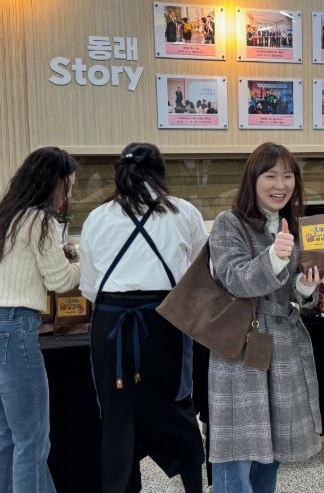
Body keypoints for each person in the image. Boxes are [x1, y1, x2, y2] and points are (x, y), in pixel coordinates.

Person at [79, 143, 206, 493]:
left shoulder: (97, 217)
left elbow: (89, 287)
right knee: (177, 409)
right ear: (161, 172)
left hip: (111, 326)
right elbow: (200, 271)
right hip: (166, 321)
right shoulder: (184, 212)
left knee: (117, 416)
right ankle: (193, 487)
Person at [207, 142, 324, 493]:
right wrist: (273, 256)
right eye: (270, 176)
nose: (280, 185)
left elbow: (291, 295)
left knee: (270, 451)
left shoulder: (293, 225)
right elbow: (234, 278)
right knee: (237, 449)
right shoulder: (229, 223)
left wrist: (305, 287)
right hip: (241, 347)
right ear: (253, 180)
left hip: (283, 345)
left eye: (288, 176)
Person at [0, 147, 80, 492]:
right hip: (16, 328)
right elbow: (60, 281)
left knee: (6, 437)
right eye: (69, 185)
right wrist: (85, 263)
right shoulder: (39, 220)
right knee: (32, 441)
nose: (69, 193)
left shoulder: (7, 216)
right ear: (53, 182)